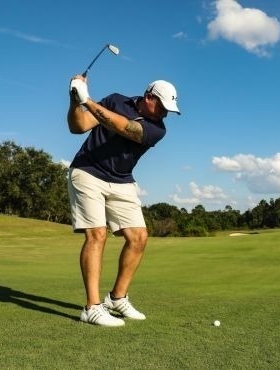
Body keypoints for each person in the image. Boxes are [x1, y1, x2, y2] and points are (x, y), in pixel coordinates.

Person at [67, 75, 180, 327]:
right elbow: (79, 126)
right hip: (87, 171)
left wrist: (87, 99)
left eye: (168, 110)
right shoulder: (116, 100)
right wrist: (75, 101)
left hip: (122, 180)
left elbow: (124, 128)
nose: (164, 113)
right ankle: (92, 307)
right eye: (161, 106)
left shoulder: (157, 129)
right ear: (148, 97)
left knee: (138, 237)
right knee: (97, 234)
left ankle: (117, 298)